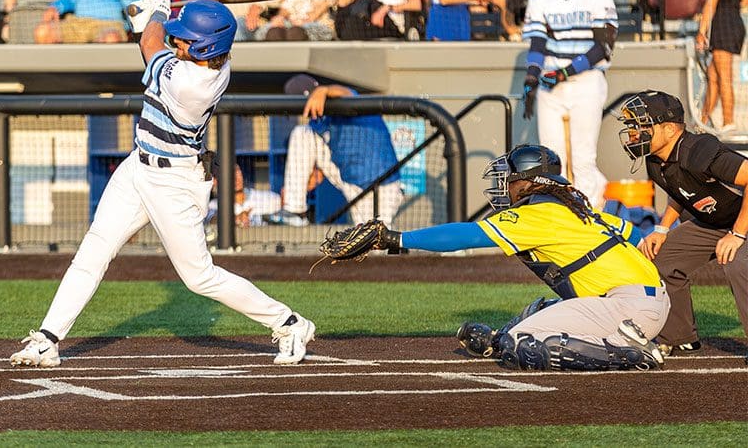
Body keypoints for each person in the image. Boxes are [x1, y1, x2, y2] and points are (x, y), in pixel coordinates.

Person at [10, 0, 316, 368]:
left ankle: (289, 322)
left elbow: (149, 44)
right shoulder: (205, 60)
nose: (177, 43)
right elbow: (157, 40)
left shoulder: (194, 82)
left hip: (175, 182)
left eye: (186, 39)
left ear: (206, 47)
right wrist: (158, 17)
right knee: (94, 250)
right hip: (138, 166)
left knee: (199, 277)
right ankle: (48, 339)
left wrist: (157, 12)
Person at [323, 144, 667, 372]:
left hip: (626, 308)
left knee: (524, 346)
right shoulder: (577, 210)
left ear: (530, 182)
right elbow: (635, 236)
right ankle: (505, 339)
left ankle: (627, 353)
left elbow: (466, 235)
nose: (506, 186)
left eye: (512, 180)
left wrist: (394, 238)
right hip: (644, 299)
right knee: (536, 311)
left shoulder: (538, 215)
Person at [615, 91, 748, 358]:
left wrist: (737, 234)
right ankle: (679, 337)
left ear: (669, 128)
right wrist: (662, 229)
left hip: (741, 221)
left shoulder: (700, 151)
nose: (634, 132)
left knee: (738, 264)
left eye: (641, 125)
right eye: (632, 126)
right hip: (716, 221)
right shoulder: (655, 160)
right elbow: (680, 190)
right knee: (661, 259)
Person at [520, 0, 616, 208]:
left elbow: (603, 49)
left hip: (585, 81)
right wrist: (531, 76)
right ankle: (561, 216)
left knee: (584, 159)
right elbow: (538, 43)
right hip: (550, 84)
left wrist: (565, 72)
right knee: (552, 159)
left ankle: (591, 214)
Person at [267, 75, 404, 227]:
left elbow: (348, 93)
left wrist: (324, 91)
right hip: (351, 181)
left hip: (382, 183)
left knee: (376, 242)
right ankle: (295, 210)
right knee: (302, 132)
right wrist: (298, 187)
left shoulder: (338, 99)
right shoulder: (318, 122)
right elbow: (319, 165)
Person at [696, 0, 747, 134]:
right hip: (735, 25)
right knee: (713, 76)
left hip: (723, 27)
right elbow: (743, 3)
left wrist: (701, 31)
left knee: (723, 77)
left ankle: (728, 122)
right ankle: (702, 121)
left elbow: (710, 5)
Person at [208, 164, 281, 229]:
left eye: (237, 173)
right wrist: (235, 219)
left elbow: (281, 204)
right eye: (230, 176)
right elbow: (211, 220)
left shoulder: (266, 197)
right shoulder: (214, 205)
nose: (236, 179)